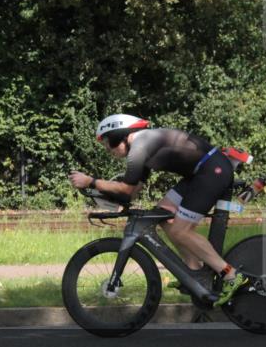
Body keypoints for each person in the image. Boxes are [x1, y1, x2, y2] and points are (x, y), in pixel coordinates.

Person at [68, 114, 249, 307]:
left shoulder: (140, 146)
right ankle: (194, 274)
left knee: (181, 230)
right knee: (164, 213)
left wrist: (91, 181)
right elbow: (132, 192)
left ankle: (231, 274)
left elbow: (126, 189)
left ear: (119, 134)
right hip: (200, 173)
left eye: (107, 142)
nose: (106, 149)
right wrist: (100, 194)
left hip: (211, 171)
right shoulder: (142, 147)